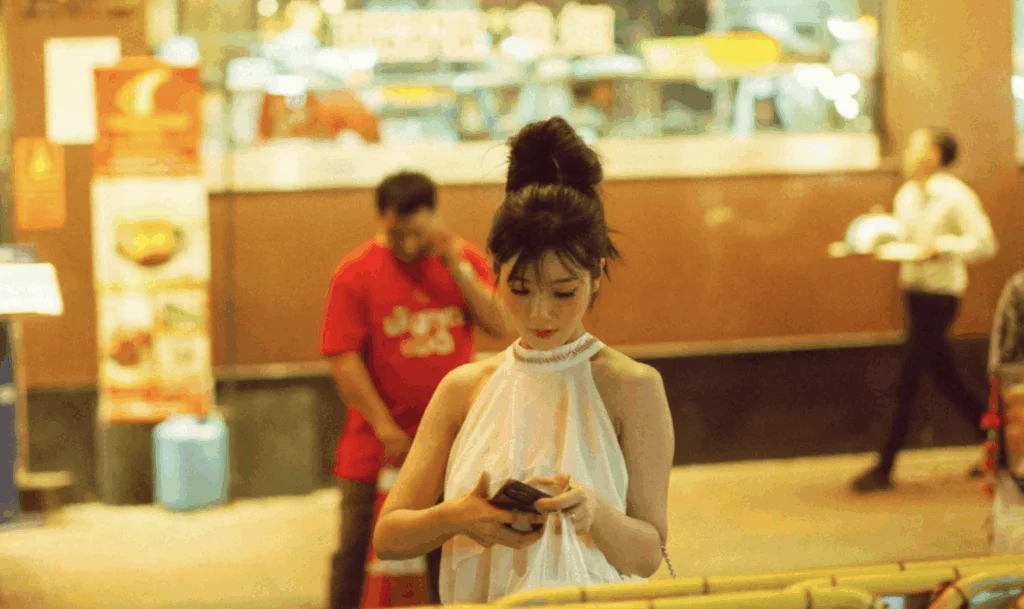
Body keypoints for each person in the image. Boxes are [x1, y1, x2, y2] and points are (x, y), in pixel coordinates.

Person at [370, 116, 675, 603]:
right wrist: (459, 516)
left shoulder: (632, 386)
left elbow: (648, 552)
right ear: (492, 266)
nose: (539, 312)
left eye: (562, 291)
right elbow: (389, 537)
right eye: (519, 288)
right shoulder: (464, 388)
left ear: (596, 274)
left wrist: (594, 513)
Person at [320, 170, 507, 609]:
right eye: (402, 228)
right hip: (376, 444)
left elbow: (499, 324)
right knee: (356, 547)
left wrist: (457, 269)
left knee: (451, 545)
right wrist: (384, 426)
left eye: (421, 225)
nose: (411, 239)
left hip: (453, 440)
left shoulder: (461, 260)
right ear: (384, 218)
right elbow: (341, 357)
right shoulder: (356, 272)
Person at [853, 127, 997, 493]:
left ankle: (884, 466)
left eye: (917, 146)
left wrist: (943, 246)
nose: (908, 152)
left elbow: (984, 243)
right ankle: (1001, 449)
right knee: (949, 380)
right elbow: (905, 241)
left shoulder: (955, 196)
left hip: (941, 295)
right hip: (914, 294)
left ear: (933, 154)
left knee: (908, 380)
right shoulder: (906, 195)